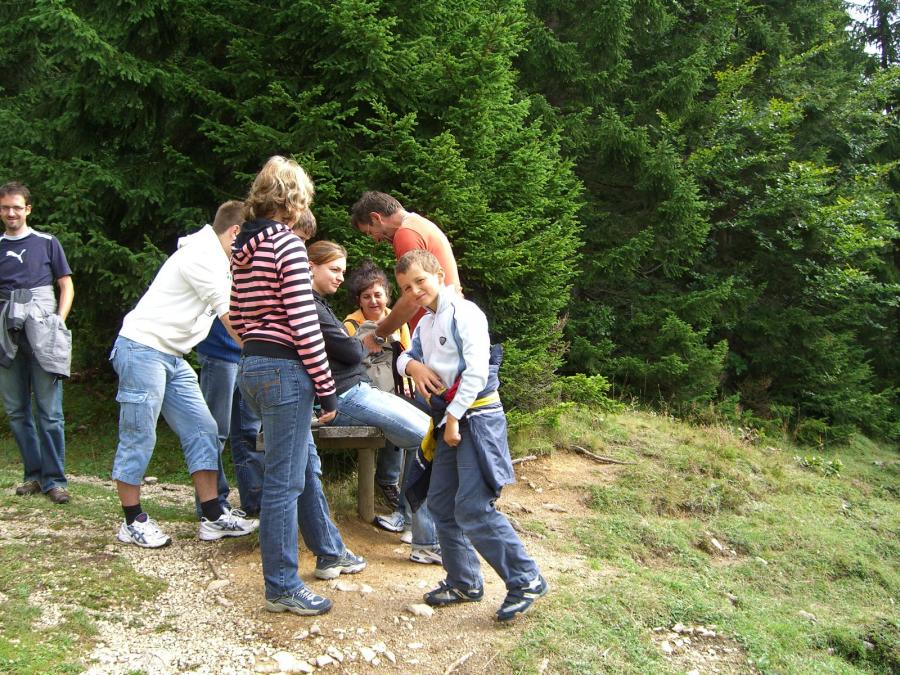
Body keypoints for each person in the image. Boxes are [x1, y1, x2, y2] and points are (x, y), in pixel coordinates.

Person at [231, 156, 363, 617]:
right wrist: (326, 386)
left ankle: (328, 551)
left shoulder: (242, 247)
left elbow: (237, 313)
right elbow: (304, 323)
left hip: (252, 367)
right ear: (293, 199)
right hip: (286, 372)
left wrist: (259, 345)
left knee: (296, 468)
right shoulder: (287, 244)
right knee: (283, 485)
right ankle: (282, 586)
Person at [394, 249, 549, 622]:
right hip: (449, 421)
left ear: (439, 276)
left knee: (473, 506)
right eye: (406, 288)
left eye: (420, 281)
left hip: (476, 419)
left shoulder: (465, 313)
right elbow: (401, 357)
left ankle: (526, 578)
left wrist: (452, 418)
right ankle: (464, 581)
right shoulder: (425, 323)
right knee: (441, 503)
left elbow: (478, 371)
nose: (415, 291)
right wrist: (413, 366)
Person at [110, 201, 258, 548]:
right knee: (139, 434)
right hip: (142, 348)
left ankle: (212, 516)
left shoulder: (220, 260)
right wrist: (263, 356)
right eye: (250, 239)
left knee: (204, 429)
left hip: (173, 357)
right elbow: (230, 318)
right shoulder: (202, 256)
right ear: (235, 232)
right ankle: (132, 521)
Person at [307, 241, 441, 565]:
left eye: (342, 270)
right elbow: (350, 352)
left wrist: (364, 342)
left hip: (356, 391)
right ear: (310, 267)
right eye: (334, 269)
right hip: (345, 396)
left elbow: (350, 350)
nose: (340, 277)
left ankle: (417, 528)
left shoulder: (318, 304)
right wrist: (367, 341)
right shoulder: (310, 305)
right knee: (429, 438)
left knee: (429, 435)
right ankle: (426, 540)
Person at [342, 260, 438, 558]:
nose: (373, 301)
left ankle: (407, 515)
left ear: (387, 295)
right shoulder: (351, 324)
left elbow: (408, 357)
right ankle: (407, 513)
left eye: (378, 295)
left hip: (396, 392)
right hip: (364, 394)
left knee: (427, 430)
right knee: (421, 437)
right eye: (366, 296)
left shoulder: (400, 322)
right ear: (358, 299)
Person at [0, 182, 74, 504]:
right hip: (6, 332)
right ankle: (33, 475)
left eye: (17, 207)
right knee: (17, 410)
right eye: (5, 207)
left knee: (50, 411)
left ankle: (55, 480)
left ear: (28, 209)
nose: (11, 213)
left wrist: (59, 321)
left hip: (44, 329)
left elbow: (66, 285)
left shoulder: (47, 242)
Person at [195, 203, 263, 517]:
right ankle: (212, 504)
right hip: (218, 356)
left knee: (249, 431)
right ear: (236, 231)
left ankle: (255, 501)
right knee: (215, 431)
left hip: (246, 358)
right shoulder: (208, 259)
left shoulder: (246, 260)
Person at [350, 192, 460, 382]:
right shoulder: (420, 224)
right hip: (447, 329)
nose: (375, 239)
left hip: (440, 336)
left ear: (376, 218)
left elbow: (412, 298)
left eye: (370, 232)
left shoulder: (405, 234)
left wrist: (378, 335)